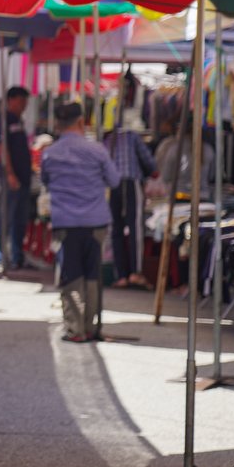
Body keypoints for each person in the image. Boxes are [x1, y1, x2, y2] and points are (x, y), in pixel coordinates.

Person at [40, 103, 120, 342]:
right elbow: (114, 181)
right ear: (80, 122)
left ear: (58, 124)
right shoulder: (97, 150)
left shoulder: (50, 153)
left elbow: (45, 180)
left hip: (66, 224)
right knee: (92, 275)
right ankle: (90, 327)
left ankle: (75, 329)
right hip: (96, 222)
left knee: (71, 276)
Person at [104, 116, 156, 289]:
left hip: (112, 185)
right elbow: (148, 161)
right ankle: (136, 272)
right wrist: (153, 172)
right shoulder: (132, 136)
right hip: (130, 181)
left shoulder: (107, 139)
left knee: (116, 229)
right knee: (135, 228)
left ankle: (121, 275)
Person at [0, 87, 33, 270]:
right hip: (12, 178)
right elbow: (3, 148)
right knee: (6, 216)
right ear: (12, 100)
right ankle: (0, 254)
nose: (24, 105)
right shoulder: (4, 119)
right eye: (22, 101)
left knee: (20, 219)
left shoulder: (18, 120)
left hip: (23, 178)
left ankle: (17, 256)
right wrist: (10, 174)